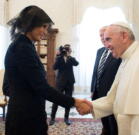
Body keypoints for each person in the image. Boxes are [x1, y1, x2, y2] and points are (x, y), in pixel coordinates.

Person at [77, 22, 139, 135]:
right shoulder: (127, 59)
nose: (106, 45)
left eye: (108, 39)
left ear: (124, 36)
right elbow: (116, 98)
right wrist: (91, 106)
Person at [3, 5, 83, 135]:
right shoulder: (23, 48)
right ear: (31, 24)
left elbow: (7, 86)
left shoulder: (21, 45)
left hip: (24, 114)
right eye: (43, 27)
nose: (46, 32)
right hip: (25, 119)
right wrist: (74, 102)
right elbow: (41, 87)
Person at [91, 26, 121, 135]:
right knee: (104, 120)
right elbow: (96, 72)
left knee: (113, 122)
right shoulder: (99, 51)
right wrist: (92, 88)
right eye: (100, 35)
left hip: (112, 95)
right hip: (98, 92)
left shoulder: (118, 52)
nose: (102, 38)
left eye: (104, 35)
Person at [49, 44, 79, 125]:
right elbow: (54, 67)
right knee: (56, 99)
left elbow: (77, 63)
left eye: (68, 49)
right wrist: (58, 56)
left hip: (69, 82)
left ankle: (66, 118)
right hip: (60, 82)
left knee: (68, 100)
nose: (67, 51)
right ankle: (52, 118)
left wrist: (69, 56)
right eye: (65, 49)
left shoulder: (71, 58)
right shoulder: (59, 58)